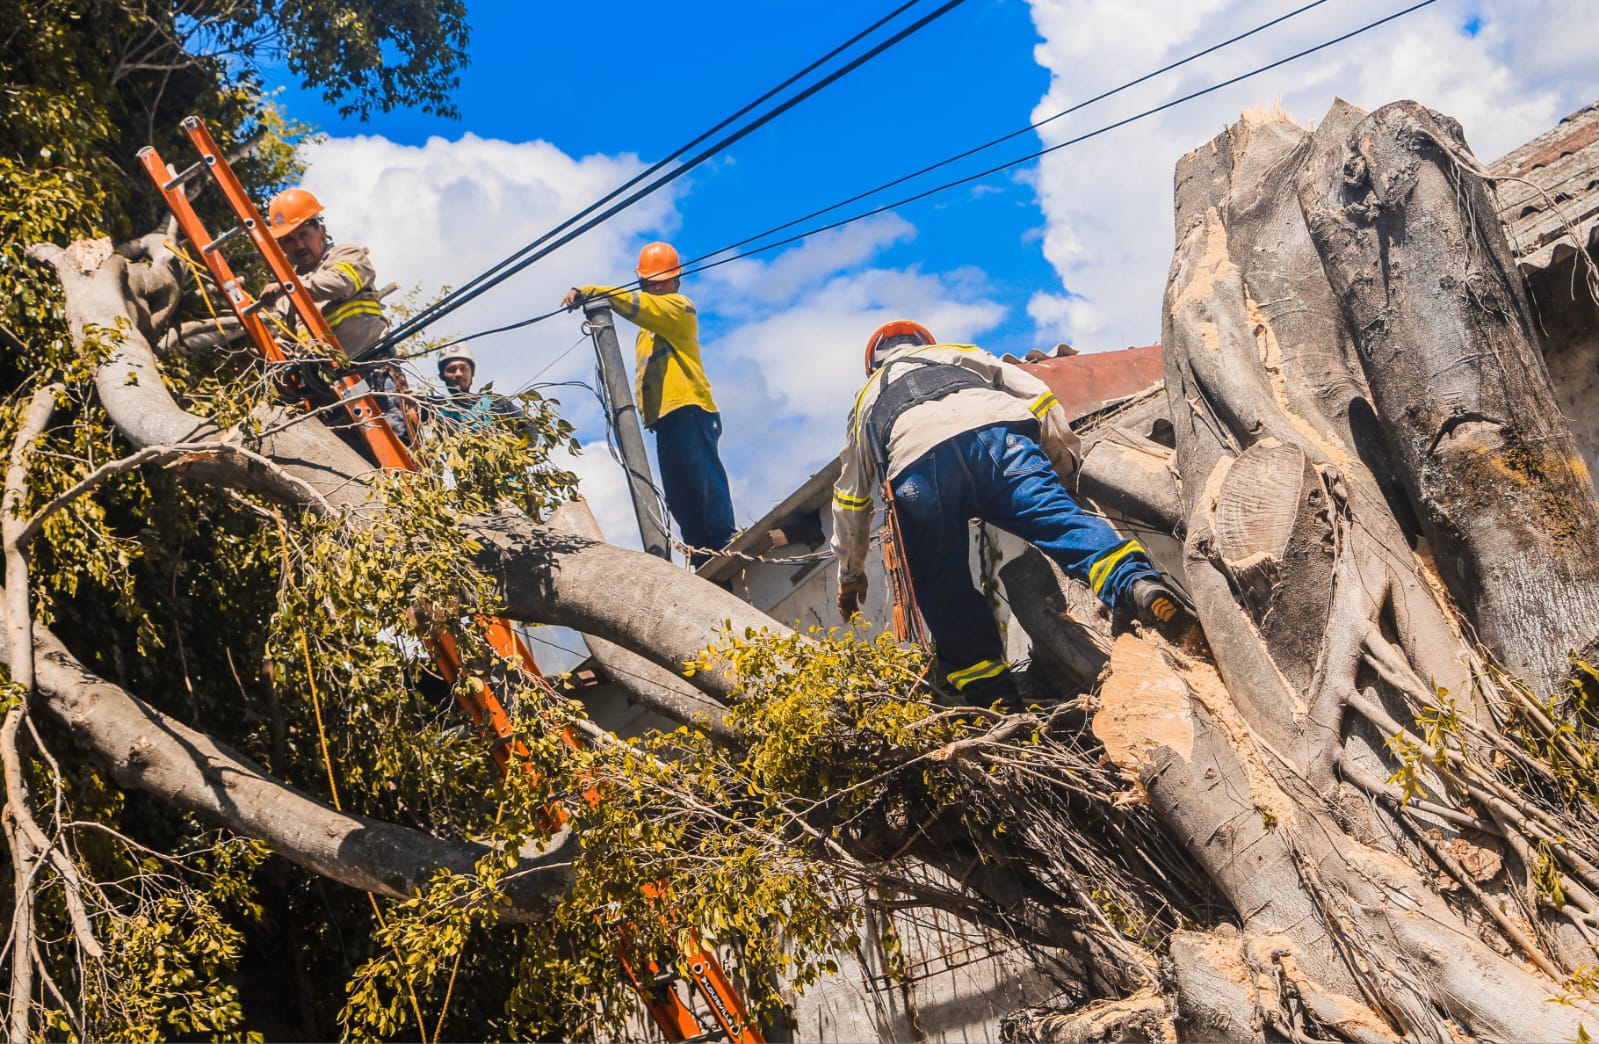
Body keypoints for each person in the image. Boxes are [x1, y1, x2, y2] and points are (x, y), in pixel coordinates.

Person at [831, 319, 1192, 704]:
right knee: (1060, 521)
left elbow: (851, 497)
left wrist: (851, 573)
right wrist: (1063, 462)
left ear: (873, 363)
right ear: (924, 343)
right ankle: (1136, 584)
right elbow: (1037, 395)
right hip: (998, 437)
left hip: (918, 465)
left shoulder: (867, 397)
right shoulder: (959, 354)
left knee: (941, 583)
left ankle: (992, 694)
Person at [561, 242, 736, 567]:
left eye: (661, 281)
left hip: (690, 408)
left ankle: (724, 541)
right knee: (680, 496)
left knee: (704, 480)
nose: (655, 287)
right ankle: (701, 554)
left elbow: (636, 305)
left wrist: (592, 291)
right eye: (649, 282)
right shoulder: (648, 330)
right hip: (664, 420)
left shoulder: (678, 309)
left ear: (676, 281)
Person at [263, 187, 415, 445]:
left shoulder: (346, 255)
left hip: (372, 375)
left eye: (304, 235)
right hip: (329, 396)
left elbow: (340, 283)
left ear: (320, 231)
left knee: (395, 448)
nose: (299, 245)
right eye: (289, 240)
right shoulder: (288, 293)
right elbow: (286, 345)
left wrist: (289, 286)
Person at [430, 344, 538, 439]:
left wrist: (518, 453)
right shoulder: (438, 407)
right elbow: (415, 405)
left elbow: (528, 428)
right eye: (451, 370)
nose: (458, 374)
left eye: (463, 368)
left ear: (472, 373)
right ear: (442, 376)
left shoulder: (495, 402)